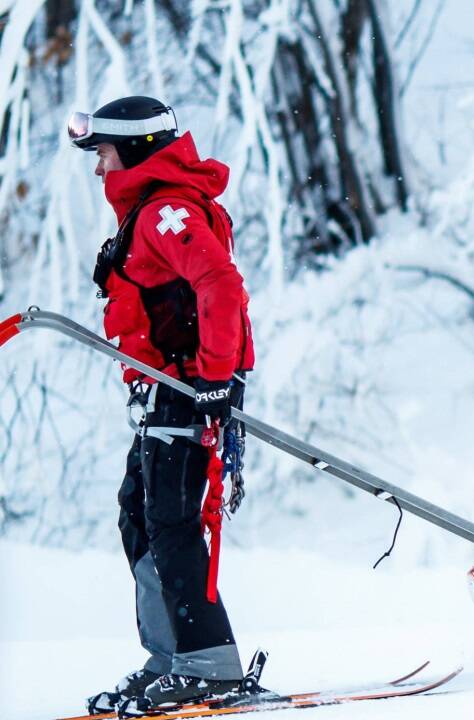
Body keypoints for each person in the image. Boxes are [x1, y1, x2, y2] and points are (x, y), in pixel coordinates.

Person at [69, 97, 255, 711]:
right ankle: (172, 655)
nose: (99, 168)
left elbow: (220, 285)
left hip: (188, 389)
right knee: (139, 513)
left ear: (136, 151)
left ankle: (211, 664)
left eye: (103, 153)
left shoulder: (167, 212)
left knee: (171, 521)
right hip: (162, 392)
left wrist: (216, 379)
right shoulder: (148, 213)